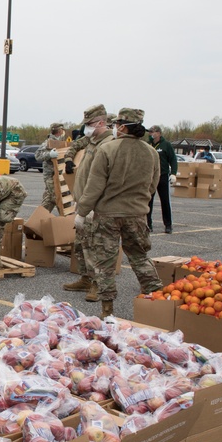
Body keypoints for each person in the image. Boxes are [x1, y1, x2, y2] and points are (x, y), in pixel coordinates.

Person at [75, 108, 164, 317]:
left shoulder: (107, 150)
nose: (114, 128)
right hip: (137, 215)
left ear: (122, 127)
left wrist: (82, 212)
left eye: (116, 125)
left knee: (105, 264)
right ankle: (157, 304)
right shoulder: (151, 152)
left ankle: (107, 312)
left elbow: (94, 186)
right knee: (140, 257)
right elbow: (153, 184)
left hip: (108, 216)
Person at [62, 104, 111, 301]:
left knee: (95, 247)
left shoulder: (108, 144)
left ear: (100, 123)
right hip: (82, 201)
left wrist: (92, 207)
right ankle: (85, 278)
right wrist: (68, 158)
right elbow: (75, 145)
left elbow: (105, 180)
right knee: (81, 244)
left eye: (89, 124)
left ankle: (97, 285)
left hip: (96, 205)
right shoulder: (91, 140)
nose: (86, 128)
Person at [147, 125, 177, 234]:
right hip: (150, 176)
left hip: (162, 175)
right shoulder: (148, 144)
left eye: (153, 132)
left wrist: (173, 173)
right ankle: (148, 224)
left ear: (159, 133)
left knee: (164, 201)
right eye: (150, 132)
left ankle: (168, 224)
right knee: (148, 201)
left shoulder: (166, 145)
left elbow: (173, 160)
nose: (151, 134)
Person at [34, 124, 67, 212]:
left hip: (60, 175)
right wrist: (49, 154)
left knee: (50, 198)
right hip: (51, 176)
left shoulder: (62, 141)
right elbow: (37, 155)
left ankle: (40, 219)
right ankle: (65, 218)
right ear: (60, 131)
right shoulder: (48, 142)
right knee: (57, 196)